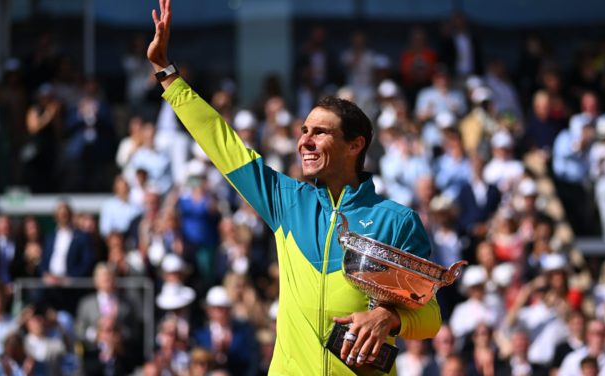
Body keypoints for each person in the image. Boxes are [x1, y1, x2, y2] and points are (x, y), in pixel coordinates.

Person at [146, 1, 441, 374]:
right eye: (303, 131)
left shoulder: (397, 221)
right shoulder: (286, 202)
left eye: (320, 132)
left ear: (355, 145)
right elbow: (223, 145)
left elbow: (430, 316)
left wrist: (388, 317)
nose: (305, 141)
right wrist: (167, 73)